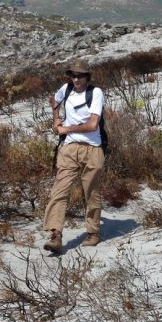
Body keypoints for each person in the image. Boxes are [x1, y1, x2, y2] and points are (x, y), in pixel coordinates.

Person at [43, 58, 105, 253]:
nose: (76, 79)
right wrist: (56, 120)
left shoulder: (95, 93)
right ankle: (55, 235)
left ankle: (93, 232)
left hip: (92, 148)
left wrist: (66, 128)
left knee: (91, 192)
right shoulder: (66, 89)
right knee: (59, 190)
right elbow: (54, 101)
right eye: (73, 75)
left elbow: (93, 125)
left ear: (87, 76)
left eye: (80, 76)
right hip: (69, 148)